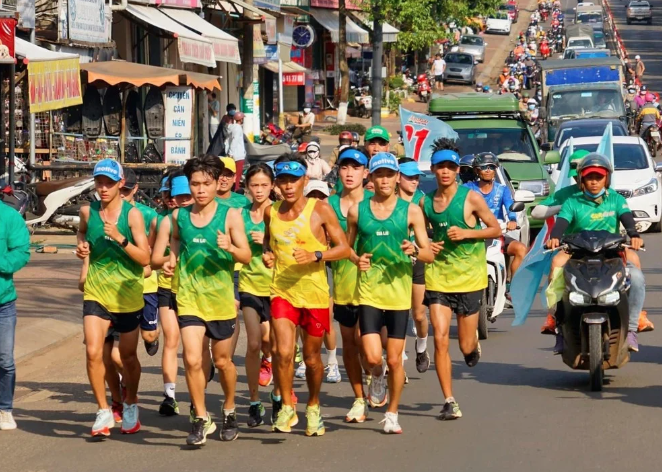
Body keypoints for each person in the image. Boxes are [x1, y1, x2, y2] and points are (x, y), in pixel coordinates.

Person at [163, 154, 251, 446]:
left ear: (216, 184)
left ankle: (228, 409)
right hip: (189, 297)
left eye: (206, 183)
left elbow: (246, 255)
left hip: (221, 299)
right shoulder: (180, 215)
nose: (200, 189)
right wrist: (171, 260)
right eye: (195, 184)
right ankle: (200, 418)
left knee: (223, 361)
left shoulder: (231, 216)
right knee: (190, 359)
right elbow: (176, 240)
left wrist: (230, 248)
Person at [346, 152, 435, 434]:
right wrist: (355, 260)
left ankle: (393, 413)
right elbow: (347, 247)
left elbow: (429, 254)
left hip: (398, 293)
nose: (384, 180)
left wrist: (416, 251)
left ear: (397, 177)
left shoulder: (410, 211)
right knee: (373, 357)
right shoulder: (357, 211)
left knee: (395, 359)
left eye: (389, 174)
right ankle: (377, 376)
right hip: (369, 291)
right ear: (370, 178)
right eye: (379, 175)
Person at [262, 154, 351, 436]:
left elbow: (344, 248)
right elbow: (268, 240)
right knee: (283, 351)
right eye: (283, 181)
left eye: (293, 180)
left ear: (304, 180)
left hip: (313, 293)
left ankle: (313, 405)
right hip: (282, 291)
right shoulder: (271, 212)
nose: (288, 186)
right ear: (276, 184)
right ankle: (287, 404)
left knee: (312, 358)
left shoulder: (320, 209)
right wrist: (267, 255)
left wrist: (316, 254)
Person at [421, 146, 501, 421]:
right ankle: (449, 400)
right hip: (438, 277)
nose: (445, 171)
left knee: (465, 346)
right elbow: (419, 233)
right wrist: (428, 243)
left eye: (450, 167)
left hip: (468, 278)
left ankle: (472, 345)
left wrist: (467, 233)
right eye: (440, 167)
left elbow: (495, 229)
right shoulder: (425, 202)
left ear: (457, 171)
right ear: (433, 170)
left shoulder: (472, 198)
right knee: (440, 338)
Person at [76, 159, 151, 437]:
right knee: (93, 352)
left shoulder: (132, 216)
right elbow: (83, 233)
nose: (104, 188)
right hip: (96, 291)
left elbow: (145, 258)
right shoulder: (87, 211)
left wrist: (121, 238)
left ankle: (130, 402)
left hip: (127, 293)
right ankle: (103, 410)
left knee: (128, 357)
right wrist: (82, 246)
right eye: (99, 182)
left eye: (109, 183)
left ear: (121, 184)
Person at [545, 153, 645, 351]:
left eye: (598, 178)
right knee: (556, 264)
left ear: (606, 179)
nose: (594, 182)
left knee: (637, 276)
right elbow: (561, 223)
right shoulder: (572, 202)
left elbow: (627, 219)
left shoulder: (616, 199)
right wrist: (554, 237)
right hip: (577, 251)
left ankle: (633, 326)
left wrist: (634, 235)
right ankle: (557, 324)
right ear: (581, 179)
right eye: (589, 177)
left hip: (611, 251)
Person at [327, 148, 372, 423]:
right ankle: (359, 398)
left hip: (376, 286)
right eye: (345, 167)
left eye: (356, 168)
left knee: (368, 346)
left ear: (366, 173)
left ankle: (375, 374)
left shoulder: (377, 202)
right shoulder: (328, 205)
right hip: (343, 284)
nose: (350, 173)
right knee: (350, 344)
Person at [149, 171, 194, 416]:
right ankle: (169, 396)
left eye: (180, 195)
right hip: (166, 287)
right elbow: (151, 256)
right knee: (171, 340)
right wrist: (168, 259)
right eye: (170, 195)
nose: (174, 200)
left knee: (192, 348)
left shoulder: (202, 220)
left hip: (196, 290)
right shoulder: (160, 221)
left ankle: (197, 395)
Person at [239, 164, 276, 428]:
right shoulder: (238, 214)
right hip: (249, 284)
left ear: (272, 186)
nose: (259, 190)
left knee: (276, 344)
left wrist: (267, 240)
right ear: (247, 187)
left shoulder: (281, 212)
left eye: (264, 185)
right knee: (253, 343)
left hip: (279, 287)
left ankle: (278, 396)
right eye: (255, 185)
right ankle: (254, 401)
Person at [463, 153, 527, 282]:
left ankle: (512, 287)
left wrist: (512, 221)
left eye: (491, 167)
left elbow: (510, 206)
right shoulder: (466, 189)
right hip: (475, 236)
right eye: (484, 167)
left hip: (497, 234)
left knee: (521, 249)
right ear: (476, 170)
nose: (488, 170)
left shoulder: (502, 190)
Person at [119, 168, 160, 356]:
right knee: (123, 341)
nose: (121, 195)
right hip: (119, 285)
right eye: (118, 190)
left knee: (149, 335)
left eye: (125, 191)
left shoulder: (149, 215)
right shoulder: (103, 214)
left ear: (135, 189)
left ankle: (152, 336)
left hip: (146, 284)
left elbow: (159, 249)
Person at [396, 158, 430, 373]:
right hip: (395, 263)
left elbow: (430, 234)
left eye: (417, 177)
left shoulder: (423, 201)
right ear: (398, 178)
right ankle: (398, 361)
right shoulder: (387, 202)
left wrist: (422, 248)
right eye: (409, 177)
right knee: (399, 313)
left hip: (417, 262)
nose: (414, 181)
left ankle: (422, 347)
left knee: (418, 314)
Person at [0, 201, 30, 431]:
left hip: (3, 303)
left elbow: (21, 253)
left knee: (5, 361)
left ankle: (5, 409)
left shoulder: (9, 216)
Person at [225, 112, 247, 191]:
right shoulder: (238, 128)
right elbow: (235, 141)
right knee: (237, 175)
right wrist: (231, 153)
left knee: (234, 174)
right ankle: (235, 190)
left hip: (234, 154)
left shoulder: (231, 127)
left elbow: (227, 141)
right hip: (238, 155)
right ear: (240, 119)